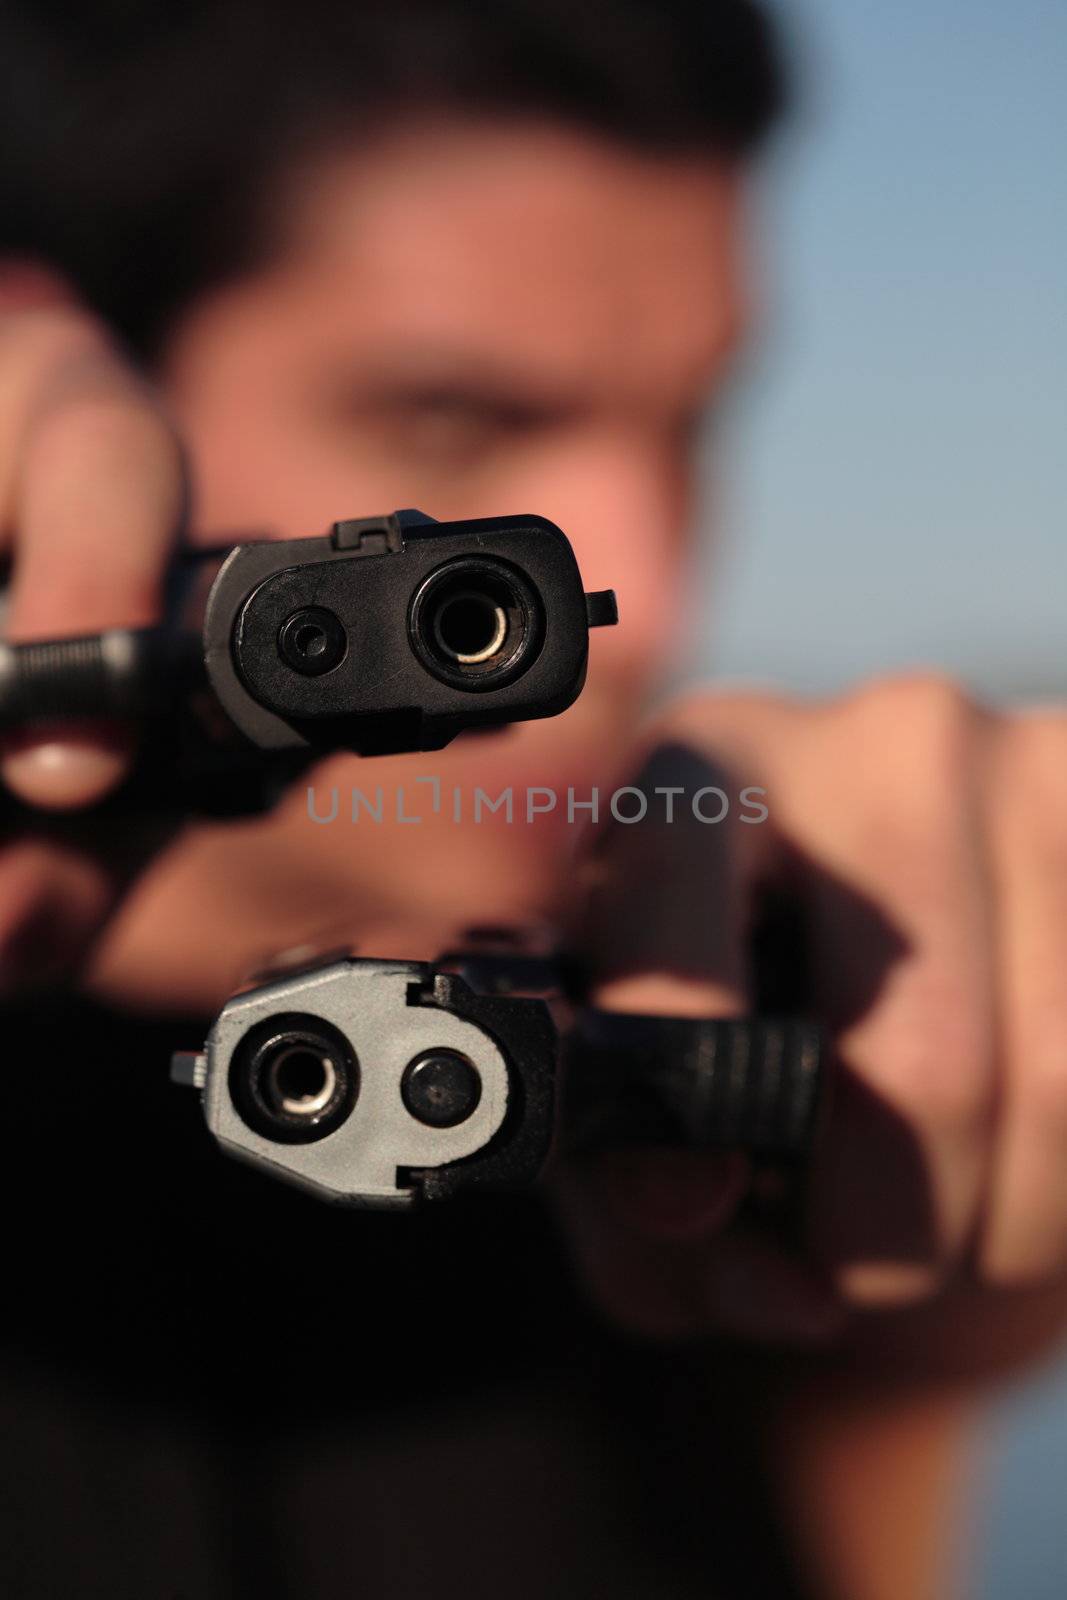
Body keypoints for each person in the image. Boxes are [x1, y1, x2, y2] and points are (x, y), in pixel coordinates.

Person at [1, 3, 1065, 1596]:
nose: (646, 580)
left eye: (695, 421)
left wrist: (932, 1294)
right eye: (452, 420)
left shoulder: (678, 1087)